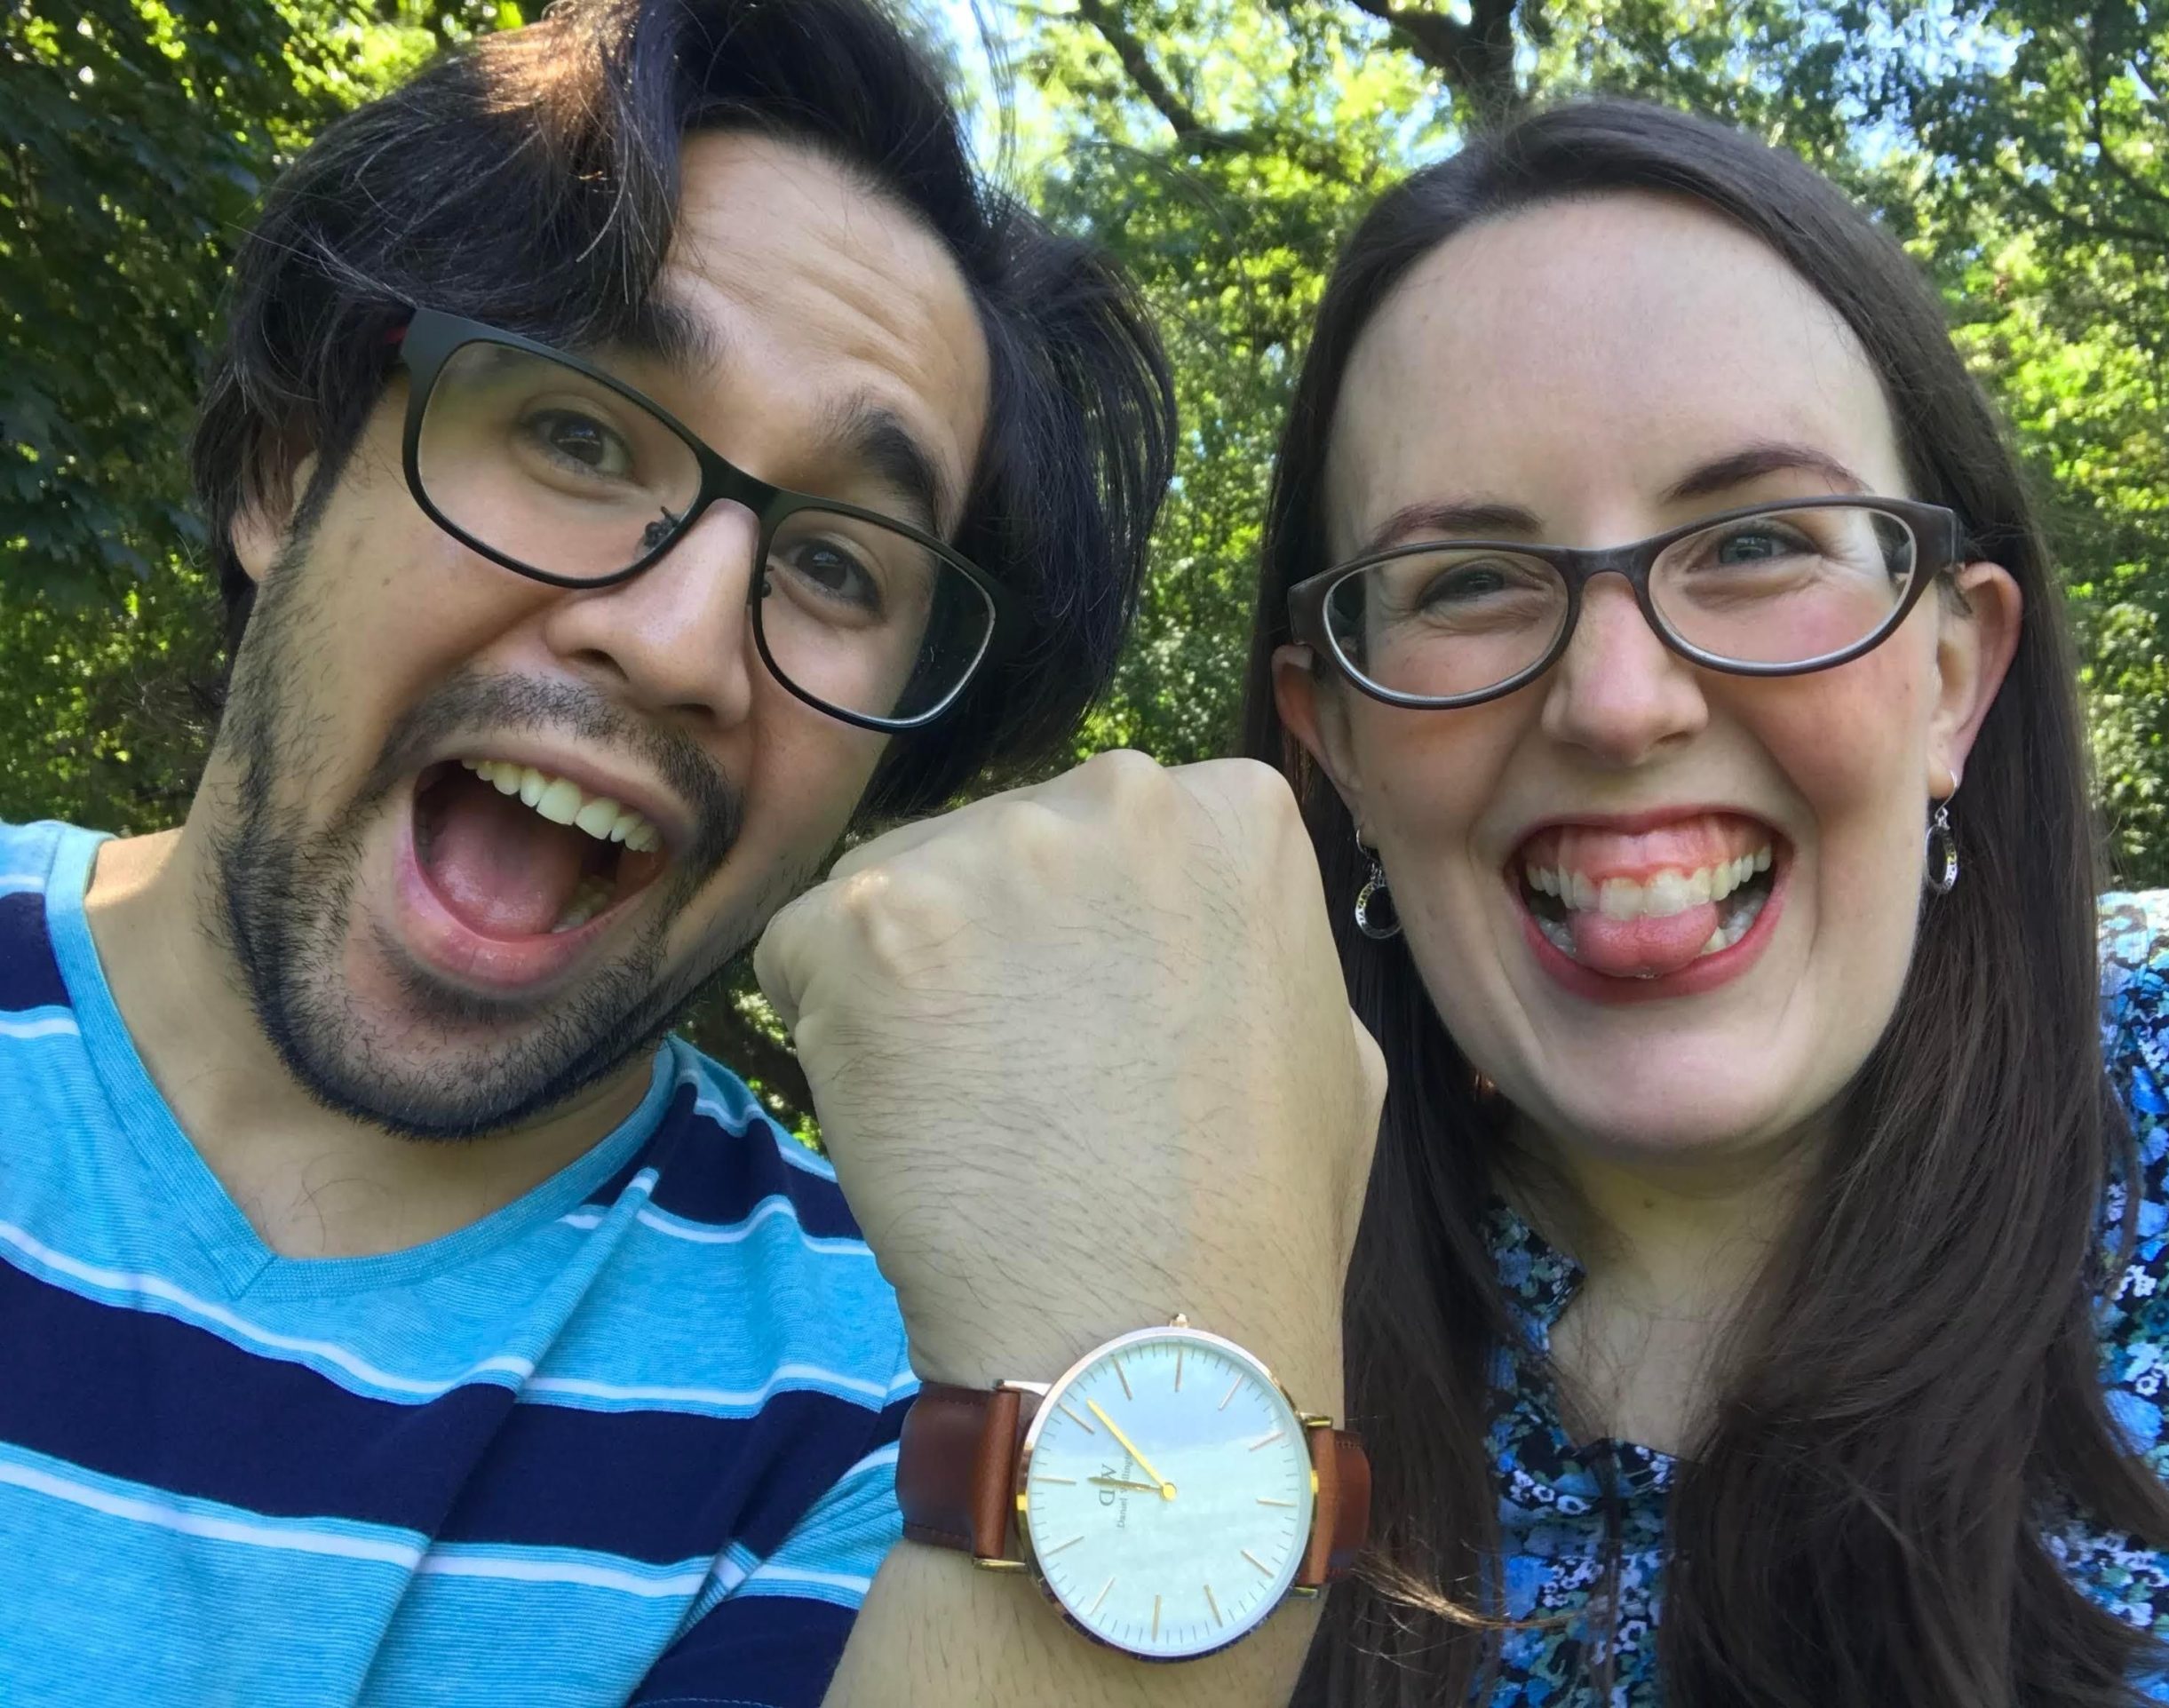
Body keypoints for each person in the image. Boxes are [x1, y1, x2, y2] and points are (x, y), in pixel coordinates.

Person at [0, 0, 1386, 1703]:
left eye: (837, 566)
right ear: (291, 471)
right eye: (580, 433)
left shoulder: (913, 1441)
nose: (675, 639)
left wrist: (1187, 1349)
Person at [1246, 99, 2169, 1706]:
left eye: (1754, 541)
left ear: (1951, 676)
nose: (1617, 701)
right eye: (1466, 580)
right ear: (1342, 752)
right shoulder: (1199, 1357)